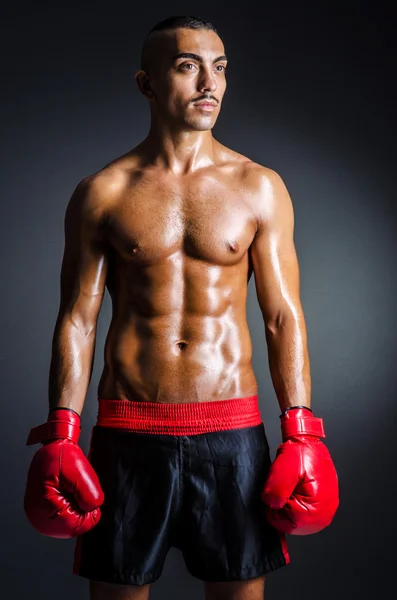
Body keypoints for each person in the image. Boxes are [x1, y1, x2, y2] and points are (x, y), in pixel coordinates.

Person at [24, 15, 339, 600]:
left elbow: (282, 315)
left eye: (219, 68)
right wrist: (61, 434)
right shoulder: (103, 191)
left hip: (231, 435)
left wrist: (302, 431)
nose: (209, 84)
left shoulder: (258, 186)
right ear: (147, 84)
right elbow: (77, 319)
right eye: (187, 66)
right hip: (127, 434)